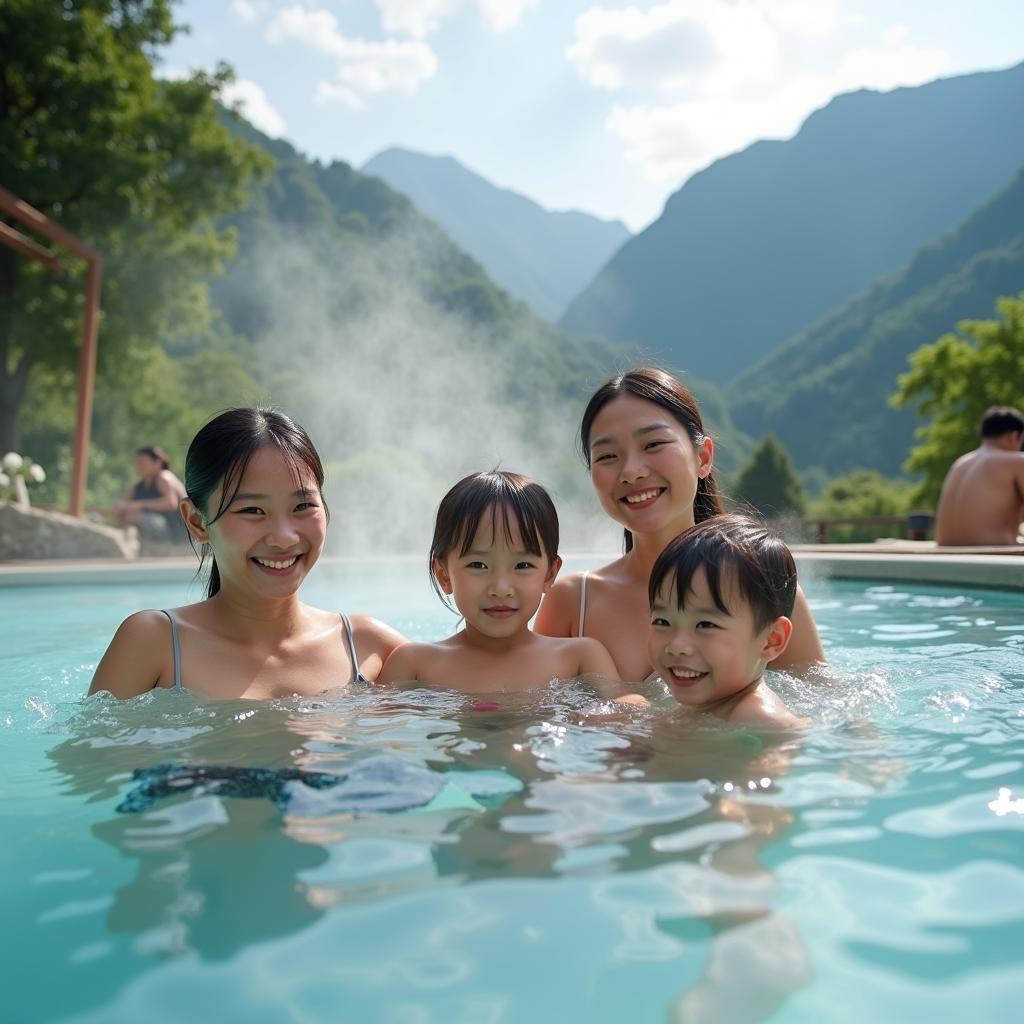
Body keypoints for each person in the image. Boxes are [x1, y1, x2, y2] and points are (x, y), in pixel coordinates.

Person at [89, 408, 404, 699]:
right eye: (253, 510)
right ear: (197, 521)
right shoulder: (154, 644)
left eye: (303, 506)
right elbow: (88, 759)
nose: (284, 538)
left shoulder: (369, 647)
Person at [535, 367, 824, 680]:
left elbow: (831, 713)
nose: (631, 471)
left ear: (702, 458)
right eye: (607, 456)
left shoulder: (761, 585)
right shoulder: (573, 602)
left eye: (653, 444)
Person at [379, 471, 619, 692]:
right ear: (444, 574)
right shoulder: (415, 666)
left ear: (549, 574)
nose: (501, 588)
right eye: (478, 565)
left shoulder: (579, 659)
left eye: (522, 566)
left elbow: (625, 712)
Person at [648, 513, 802, 727]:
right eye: (662, 621)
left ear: (771, 640)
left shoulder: (759, 718)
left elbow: (773, 758)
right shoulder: (709, 707)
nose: (677, 646)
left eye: (705, 625)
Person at [935, 405, 1024, 546]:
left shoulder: (960, 463)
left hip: (945, 555)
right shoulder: (1017, 461)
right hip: (993, 557)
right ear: (1015, 436)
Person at [114, 446, 188, 541]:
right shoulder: (137, 486)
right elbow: (123, 505)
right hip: (159, 528)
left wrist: (138, 505)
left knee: (133, 517)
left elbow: (171, 503)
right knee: (124, 516)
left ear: (157, 463)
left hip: (176, 531)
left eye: (143, 463)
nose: (139, 466)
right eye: (137, 463)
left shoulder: (164, 477)